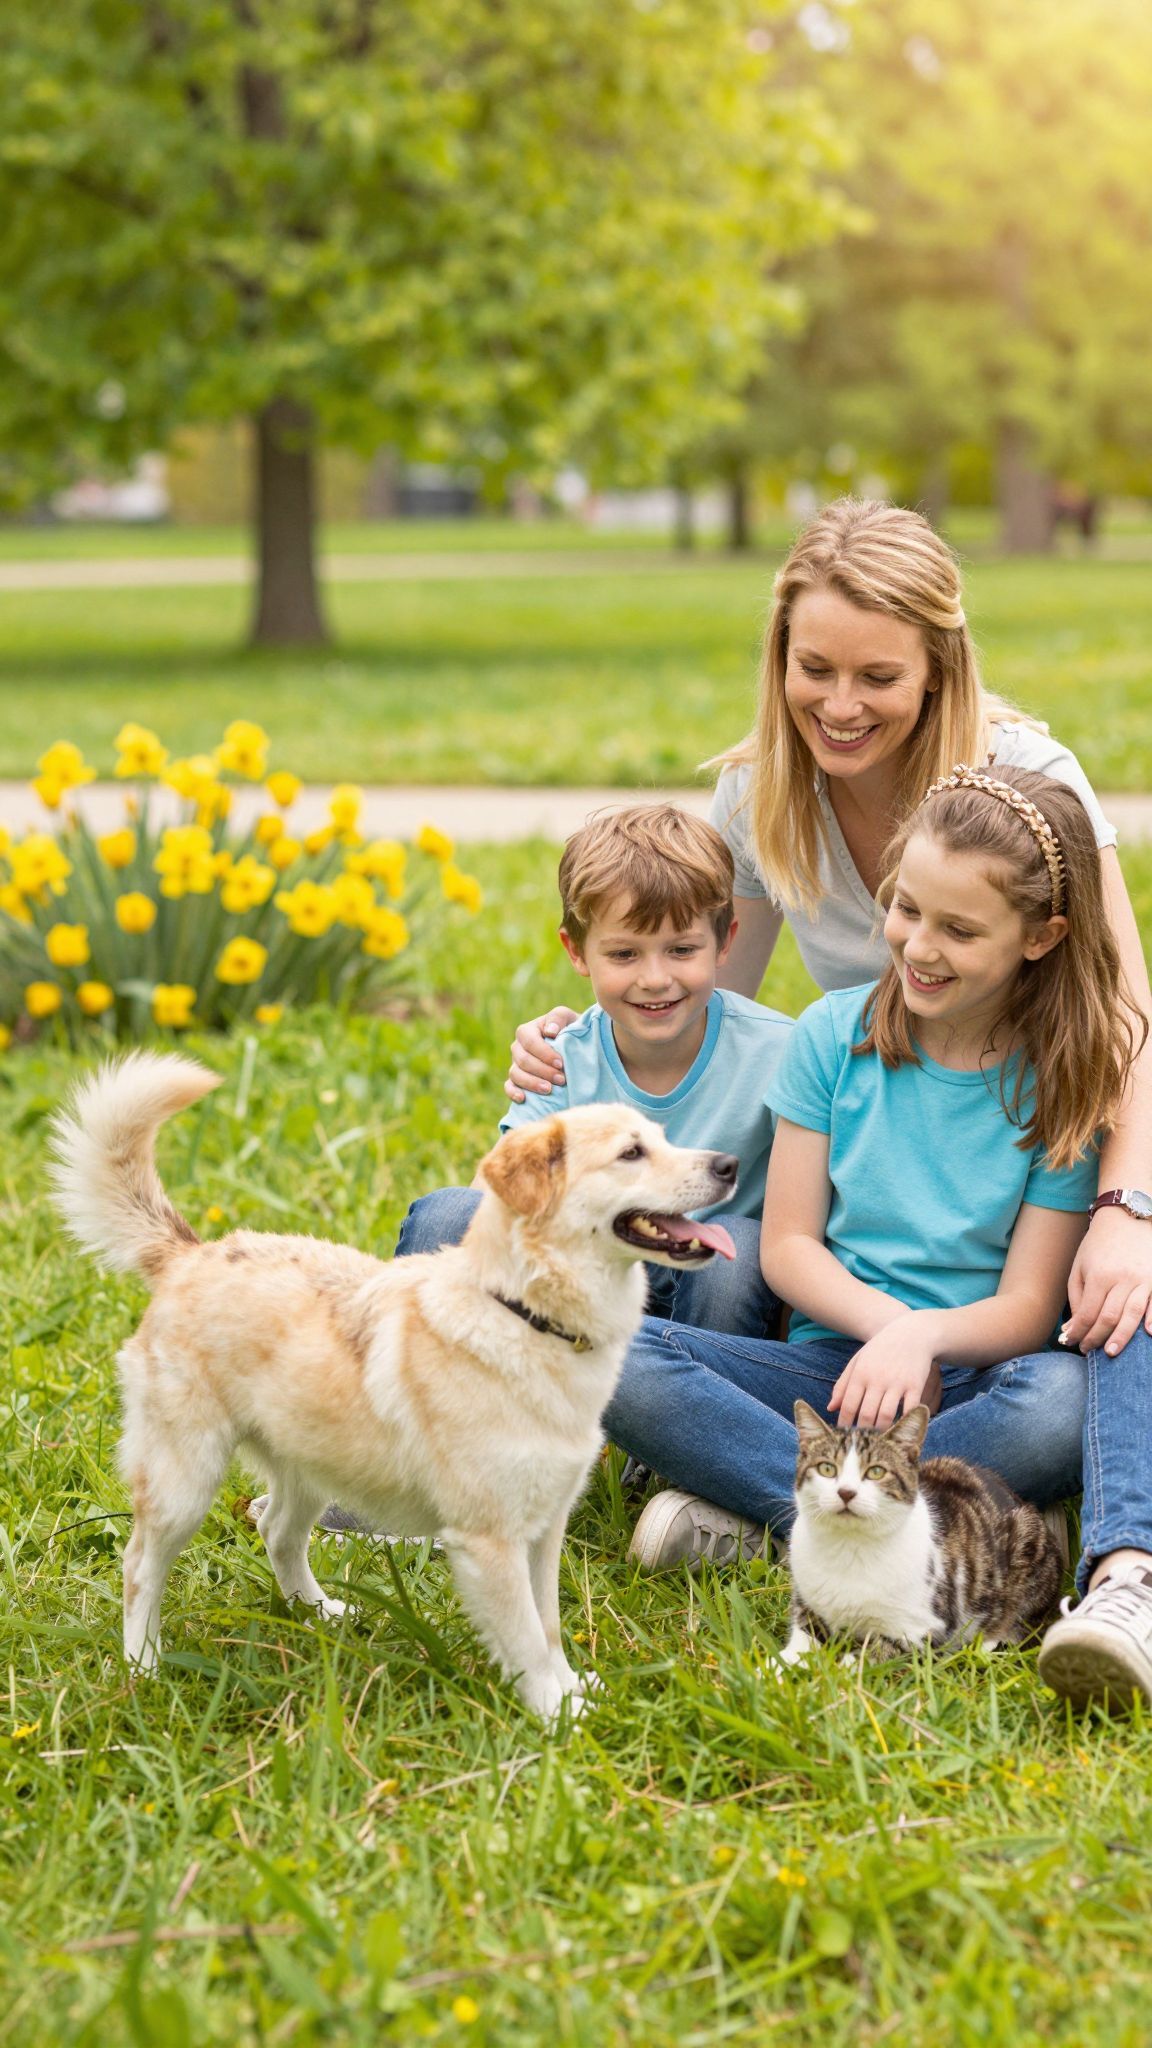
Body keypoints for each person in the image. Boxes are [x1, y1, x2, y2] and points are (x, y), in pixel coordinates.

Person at [507, 498, 1152, 1360]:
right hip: (872, 1189)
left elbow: (1128, 1027)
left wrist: (1125, 1213)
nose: (840, 707)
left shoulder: (1025, 778)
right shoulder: (761, 794)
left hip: (1028, 1175)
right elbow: (695, 1007)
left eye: (878, 679)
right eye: (814, 668)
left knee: (1062, 1381)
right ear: (780, 656)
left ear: (937, 668)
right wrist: (586, 1044)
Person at [604, 767, 1152, 1708]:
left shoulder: (1059, 1078)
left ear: (1041, 938)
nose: (919, 947)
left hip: (981, 1379)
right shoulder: (832, 1036)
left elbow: (1028, 1306)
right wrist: (887, 1328)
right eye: (906, 909)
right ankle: (899, 1520)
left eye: (961, 930)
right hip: (833, 1379)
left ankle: (771, 1516)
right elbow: (789, 1249)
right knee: (605, 1350)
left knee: (1063, 1400)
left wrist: (926, 1337)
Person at [394, 804, 793, 1338]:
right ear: (576, 950)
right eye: (624, 954)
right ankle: (446, 1379)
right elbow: (497, 1202)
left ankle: (692, 1403)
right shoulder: (562, 1057)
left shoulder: (781, 1051)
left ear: (724, 941)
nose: (655, 978)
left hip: (702, 1288)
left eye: (681, 949)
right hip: (578, 1277)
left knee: (736, 1252)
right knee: (448, 1216)